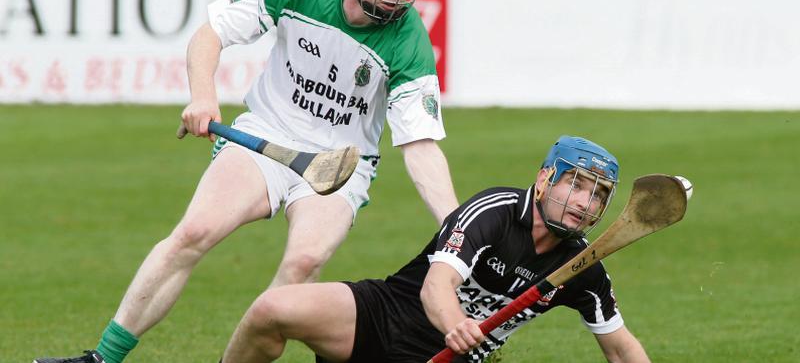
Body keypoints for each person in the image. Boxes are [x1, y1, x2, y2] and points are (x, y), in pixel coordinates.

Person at [34, 0, 458, 362]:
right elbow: (211, 33)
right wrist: (203, 97)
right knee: (193, 232)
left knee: (303, 264)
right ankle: (103, 358)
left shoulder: (410, 42)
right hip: (265, 136)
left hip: (337, 166)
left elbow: (420, 146)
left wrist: (457, 228)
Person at [220, 135, 652, 362]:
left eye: (597, 195)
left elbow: (620, 347)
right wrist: (456, 324)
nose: (584, 202)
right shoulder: (495, 211)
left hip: (450, 359)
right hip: (387, 315)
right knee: (271, 310)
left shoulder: (583, 268)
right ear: (544, 179)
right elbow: (436, 286)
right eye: (575, 184)